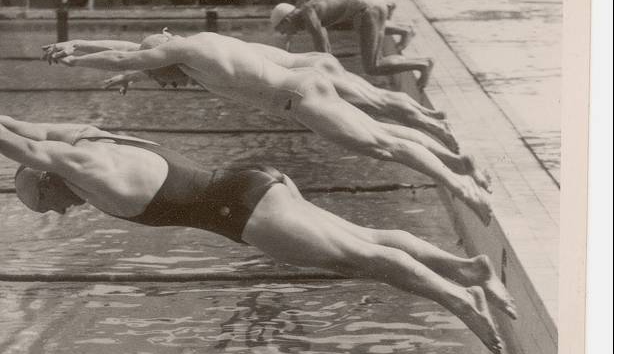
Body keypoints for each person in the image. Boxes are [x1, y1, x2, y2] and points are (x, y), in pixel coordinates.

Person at [0, 93, 509, 354]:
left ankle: (460, 299)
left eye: (51, 206)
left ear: (50, 181)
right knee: (367, 241)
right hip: (248, 181)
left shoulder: (77, 164)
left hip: (242, 211)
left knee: (360, 261)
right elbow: (19, 127)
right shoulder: (87, 138)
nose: (62, 213)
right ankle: (465, 268)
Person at [43, 31, 493, 223]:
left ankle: (459, 184)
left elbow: (126, 55)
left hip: (299, 101)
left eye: (165, 76)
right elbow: (131, 51)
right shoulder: (196, 45)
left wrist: (76, 59)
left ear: (169, 59)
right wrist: (77, 41)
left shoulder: (187, 54)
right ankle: (458, 160)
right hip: (304, 84)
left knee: (385, 147)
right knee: (385, 132)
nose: (175, 84)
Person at [269, 0, 438, 92]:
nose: (286, 34)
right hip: (369, 3)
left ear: (287, 19)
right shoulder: (307, 12)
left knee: (373, 66)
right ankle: (406, 34)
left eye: (283, 30)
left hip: (368, 8)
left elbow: (322, 50)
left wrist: (329, 78)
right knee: (366, 36)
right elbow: (325, 45)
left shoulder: (308, 16)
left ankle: (423, 64)